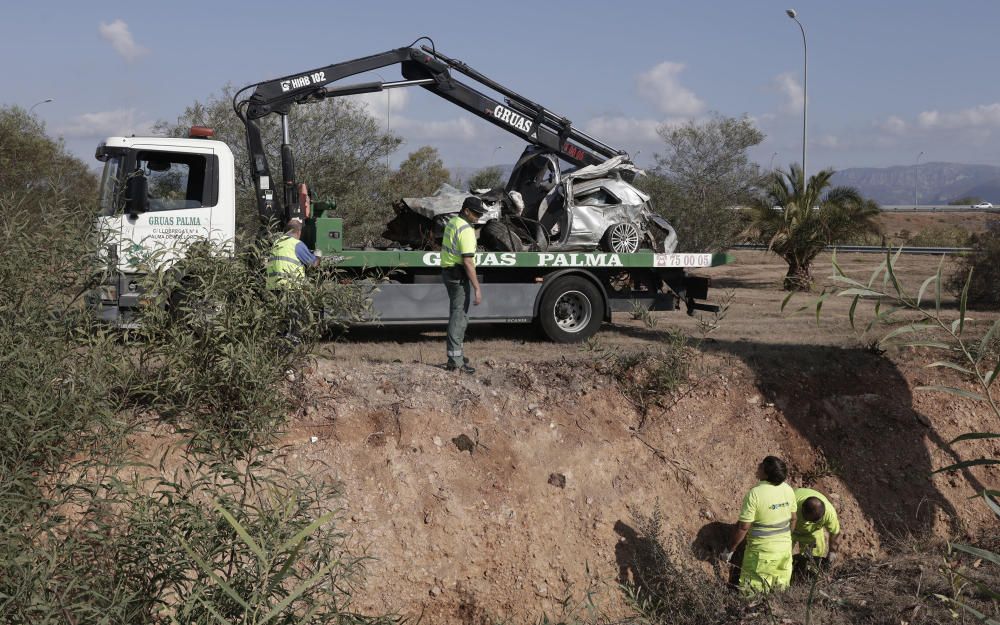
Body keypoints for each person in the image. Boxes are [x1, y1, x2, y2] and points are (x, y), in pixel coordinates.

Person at [722, 456, 797, 595]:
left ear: (766, 472)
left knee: (751, 596)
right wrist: (786, 540)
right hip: (784, 553)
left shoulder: (755, 494)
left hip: (762, 556)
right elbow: (793, 519)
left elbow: (743, 527)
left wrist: (730, 550)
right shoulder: (788, 489)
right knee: (778, 596)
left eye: (761, 465)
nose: (758, 465)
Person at [441, 196, 486, 373]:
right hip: (458, 274)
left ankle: (456, 355)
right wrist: (477, 288)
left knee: (456, 314)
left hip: (448, 271)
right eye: (475, 213)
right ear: (466, 211)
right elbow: (468, 262)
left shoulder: (453, 222)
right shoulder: (466, 230)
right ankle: (455, 361)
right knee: (459, 317)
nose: (478, 217)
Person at [266, 217, 318, 340]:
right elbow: (314, 264)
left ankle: (280, 342)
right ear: (298, 232)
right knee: (294, 318)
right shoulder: (296, 244)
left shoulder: (276, 243)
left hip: (274, 286)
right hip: (291, 287)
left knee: (281, 318)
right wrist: (318, 255)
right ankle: (292, 343)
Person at [792, 487, 841, 574]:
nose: (808, 523)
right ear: (802, 509)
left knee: (814, 560)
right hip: (790, 531)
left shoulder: (829, 514)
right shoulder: (791, 503)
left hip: (813, 533)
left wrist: (832, 552)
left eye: (814, 521)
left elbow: (835, 533)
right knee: (782, 556)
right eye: (807, 519)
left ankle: (808, 578)